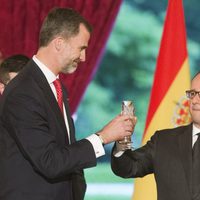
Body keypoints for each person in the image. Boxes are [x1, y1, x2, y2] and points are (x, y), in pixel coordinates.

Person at [0, 7, 136, 200]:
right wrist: (103, 137)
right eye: (81, 48)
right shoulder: (24, 92)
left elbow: (63, 150)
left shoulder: (56, 87)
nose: (83, 58)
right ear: (59, 43)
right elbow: (50, 161)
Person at [111, 72, 200, 200]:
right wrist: (123, 139)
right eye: (192, 94)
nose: (195, 101)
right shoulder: (164, 140)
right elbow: (129, 167)